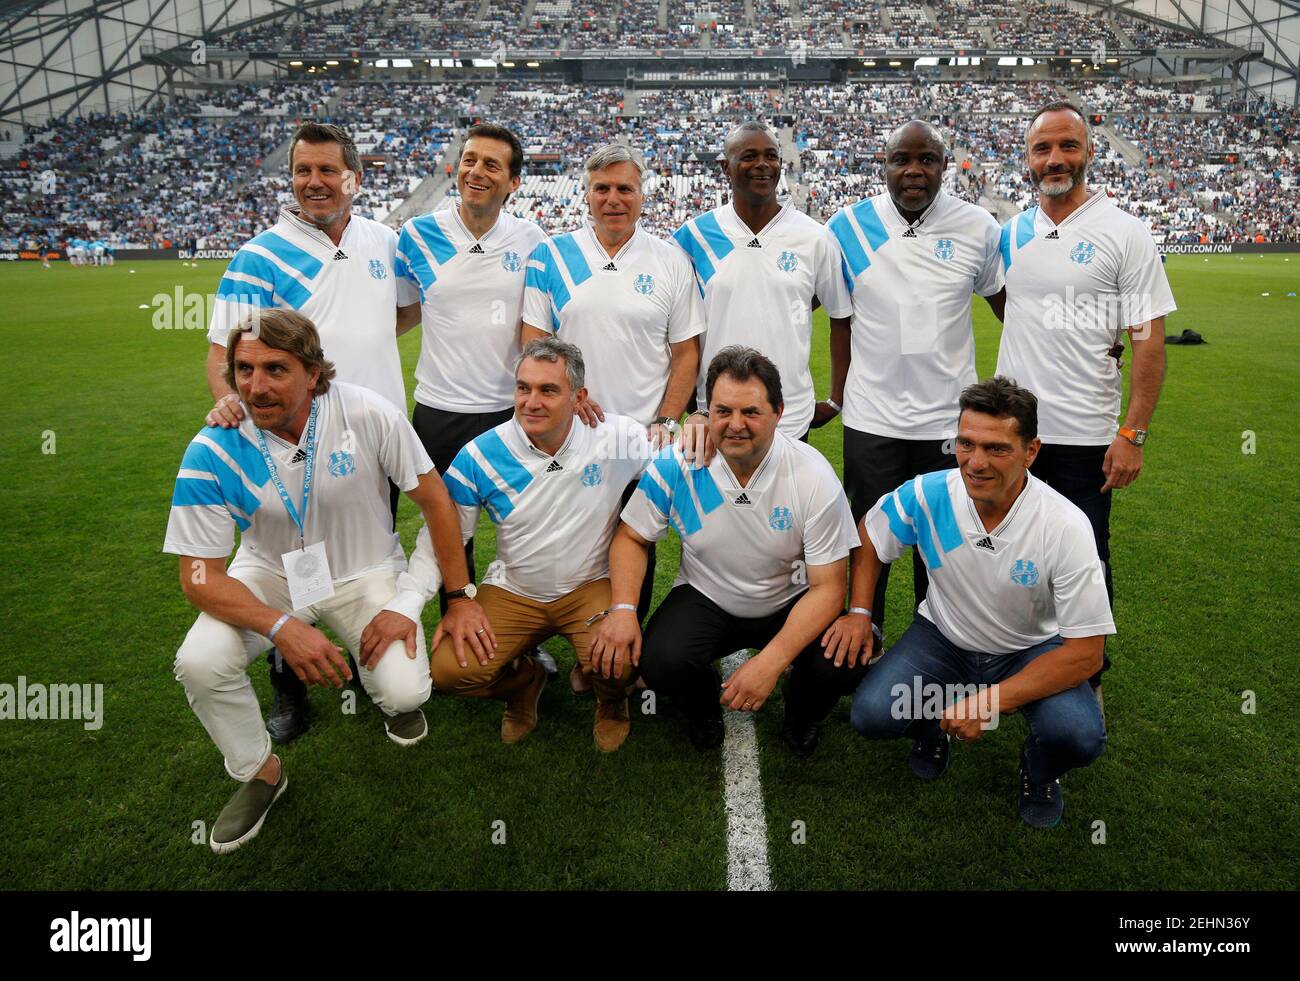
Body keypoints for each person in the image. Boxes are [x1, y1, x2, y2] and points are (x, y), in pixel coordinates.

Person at [166, 310, 489, 853]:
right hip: (268, 576)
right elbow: (198, 577)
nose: (255, 386)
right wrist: (281, 626)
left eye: (275, 368)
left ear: (313, 373)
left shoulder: (366, 412)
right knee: (198, 662)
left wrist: (454, 597)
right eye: (243, 369)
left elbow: (437, 501)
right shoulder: (214, 444)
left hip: (366, 571)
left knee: (404, 689)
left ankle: (394, 702)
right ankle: (259, 772)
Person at [203, 121, 421, 742]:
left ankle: (358, 653)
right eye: (303, 171)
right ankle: (288, 683)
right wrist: (237, 413)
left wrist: (356, 353)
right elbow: (223, 353)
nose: (314, 182)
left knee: (363, 553)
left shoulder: (384, 241)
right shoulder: (260, 254)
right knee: (292, 563)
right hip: (291, 443)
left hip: (375, 436)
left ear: (354, 177)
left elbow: (403, 310)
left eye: (327, 170)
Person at [840, 377, 1111, 828]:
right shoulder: (929, 494)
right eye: (966, 444)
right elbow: (869, 534)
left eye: (997, 448)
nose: (976, 462)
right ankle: (932, 727)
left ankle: (1039, 769)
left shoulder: (1065, 525)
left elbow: (1086, 655)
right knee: (871, 714)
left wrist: (990, 702)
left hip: (1029, 649)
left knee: (1078, 736)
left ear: (1031, 451)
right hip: (943, 639)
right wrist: (860, 612)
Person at [592, 347, 862, 756]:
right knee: (661, 660)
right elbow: (632, 537)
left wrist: (771, 662)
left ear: (779, 412)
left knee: (841, 661)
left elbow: (827, 588)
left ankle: (801, 715)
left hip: (788, 599)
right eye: (722, 411)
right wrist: (624, 609)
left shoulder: (813, 475)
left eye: (751, 412)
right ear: (707, 412)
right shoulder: (679, 463)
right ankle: (702, 711)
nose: (736, 425)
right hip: (707, 595)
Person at [996, 102, 1173, 700]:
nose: (1055, 159)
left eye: (1067, 145)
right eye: (1043, 148)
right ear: (1027, 158)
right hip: (1013, 437)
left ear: (1089, 151)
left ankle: (1086, 676)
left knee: (1086, 561)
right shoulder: (1012, 232)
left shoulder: (1125, 232)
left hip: (1085, 437)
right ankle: (1012, 662)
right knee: (1005, 551)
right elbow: (1010, 305)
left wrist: (1132, 434)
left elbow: (1147, 342)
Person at [406, 337, 653, 751]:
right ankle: (524, 683)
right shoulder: (480, 454)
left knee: (621, 661)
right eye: (523, 388)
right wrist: (458, 599)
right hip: (514, 589)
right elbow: (446, 536)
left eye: (548, 390)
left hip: (589, 586)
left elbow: (676, 467)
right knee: (450, 671)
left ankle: (611, 703)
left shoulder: (618, 437)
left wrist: (688, 422)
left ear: (579, 397)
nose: (531, 402)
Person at [520, 143, 705, 692]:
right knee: (570, 546)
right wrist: (569, 396)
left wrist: (667, 420)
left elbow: (686, 352)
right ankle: (570, 649)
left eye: (625, 188)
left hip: (641, 439)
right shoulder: (551, 256)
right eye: (602, 188)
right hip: (568, 435)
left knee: (633, 544)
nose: (613, 198)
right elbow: (534, 342)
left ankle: (616, 655)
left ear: (643, 194)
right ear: (586, 194)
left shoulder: (670, 258)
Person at [826, 120, 1005, 657]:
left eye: (926, 159)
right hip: (872, 418)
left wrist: (1092, 340)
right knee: (867, 538)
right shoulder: (846, 227)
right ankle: (864, 637)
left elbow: (1013, 310)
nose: (913, 170)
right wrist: (833, 396)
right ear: (883, 164)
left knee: (943, 543)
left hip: (949, 424)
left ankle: (942, 645)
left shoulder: (977, 226)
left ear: (945, 165)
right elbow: (808, 308)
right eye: (901, 159)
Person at [395, 123, 548, 614]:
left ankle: (520, 638)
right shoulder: (416, 235)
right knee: (447, 529)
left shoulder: (531, 239)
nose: (476, 171)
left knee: (520, 529)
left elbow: (542, 321)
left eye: (491, 165)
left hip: (512, 411)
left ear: (513, 182)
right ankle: (454, 622)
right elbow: (403, 311)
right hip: (439, 411)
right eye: (469, 160)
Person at [672, 121, 851, 441]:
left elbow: (840, 318)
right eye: (749, 156)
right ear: (726, 166)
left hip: (789, 415)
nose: (762, 164)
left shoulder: (814, 237)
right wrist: (690, 400)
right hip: (718, 411)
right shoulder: (692, 237)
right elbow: (673, 326)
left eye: (771, 155)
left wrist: (836, 399)